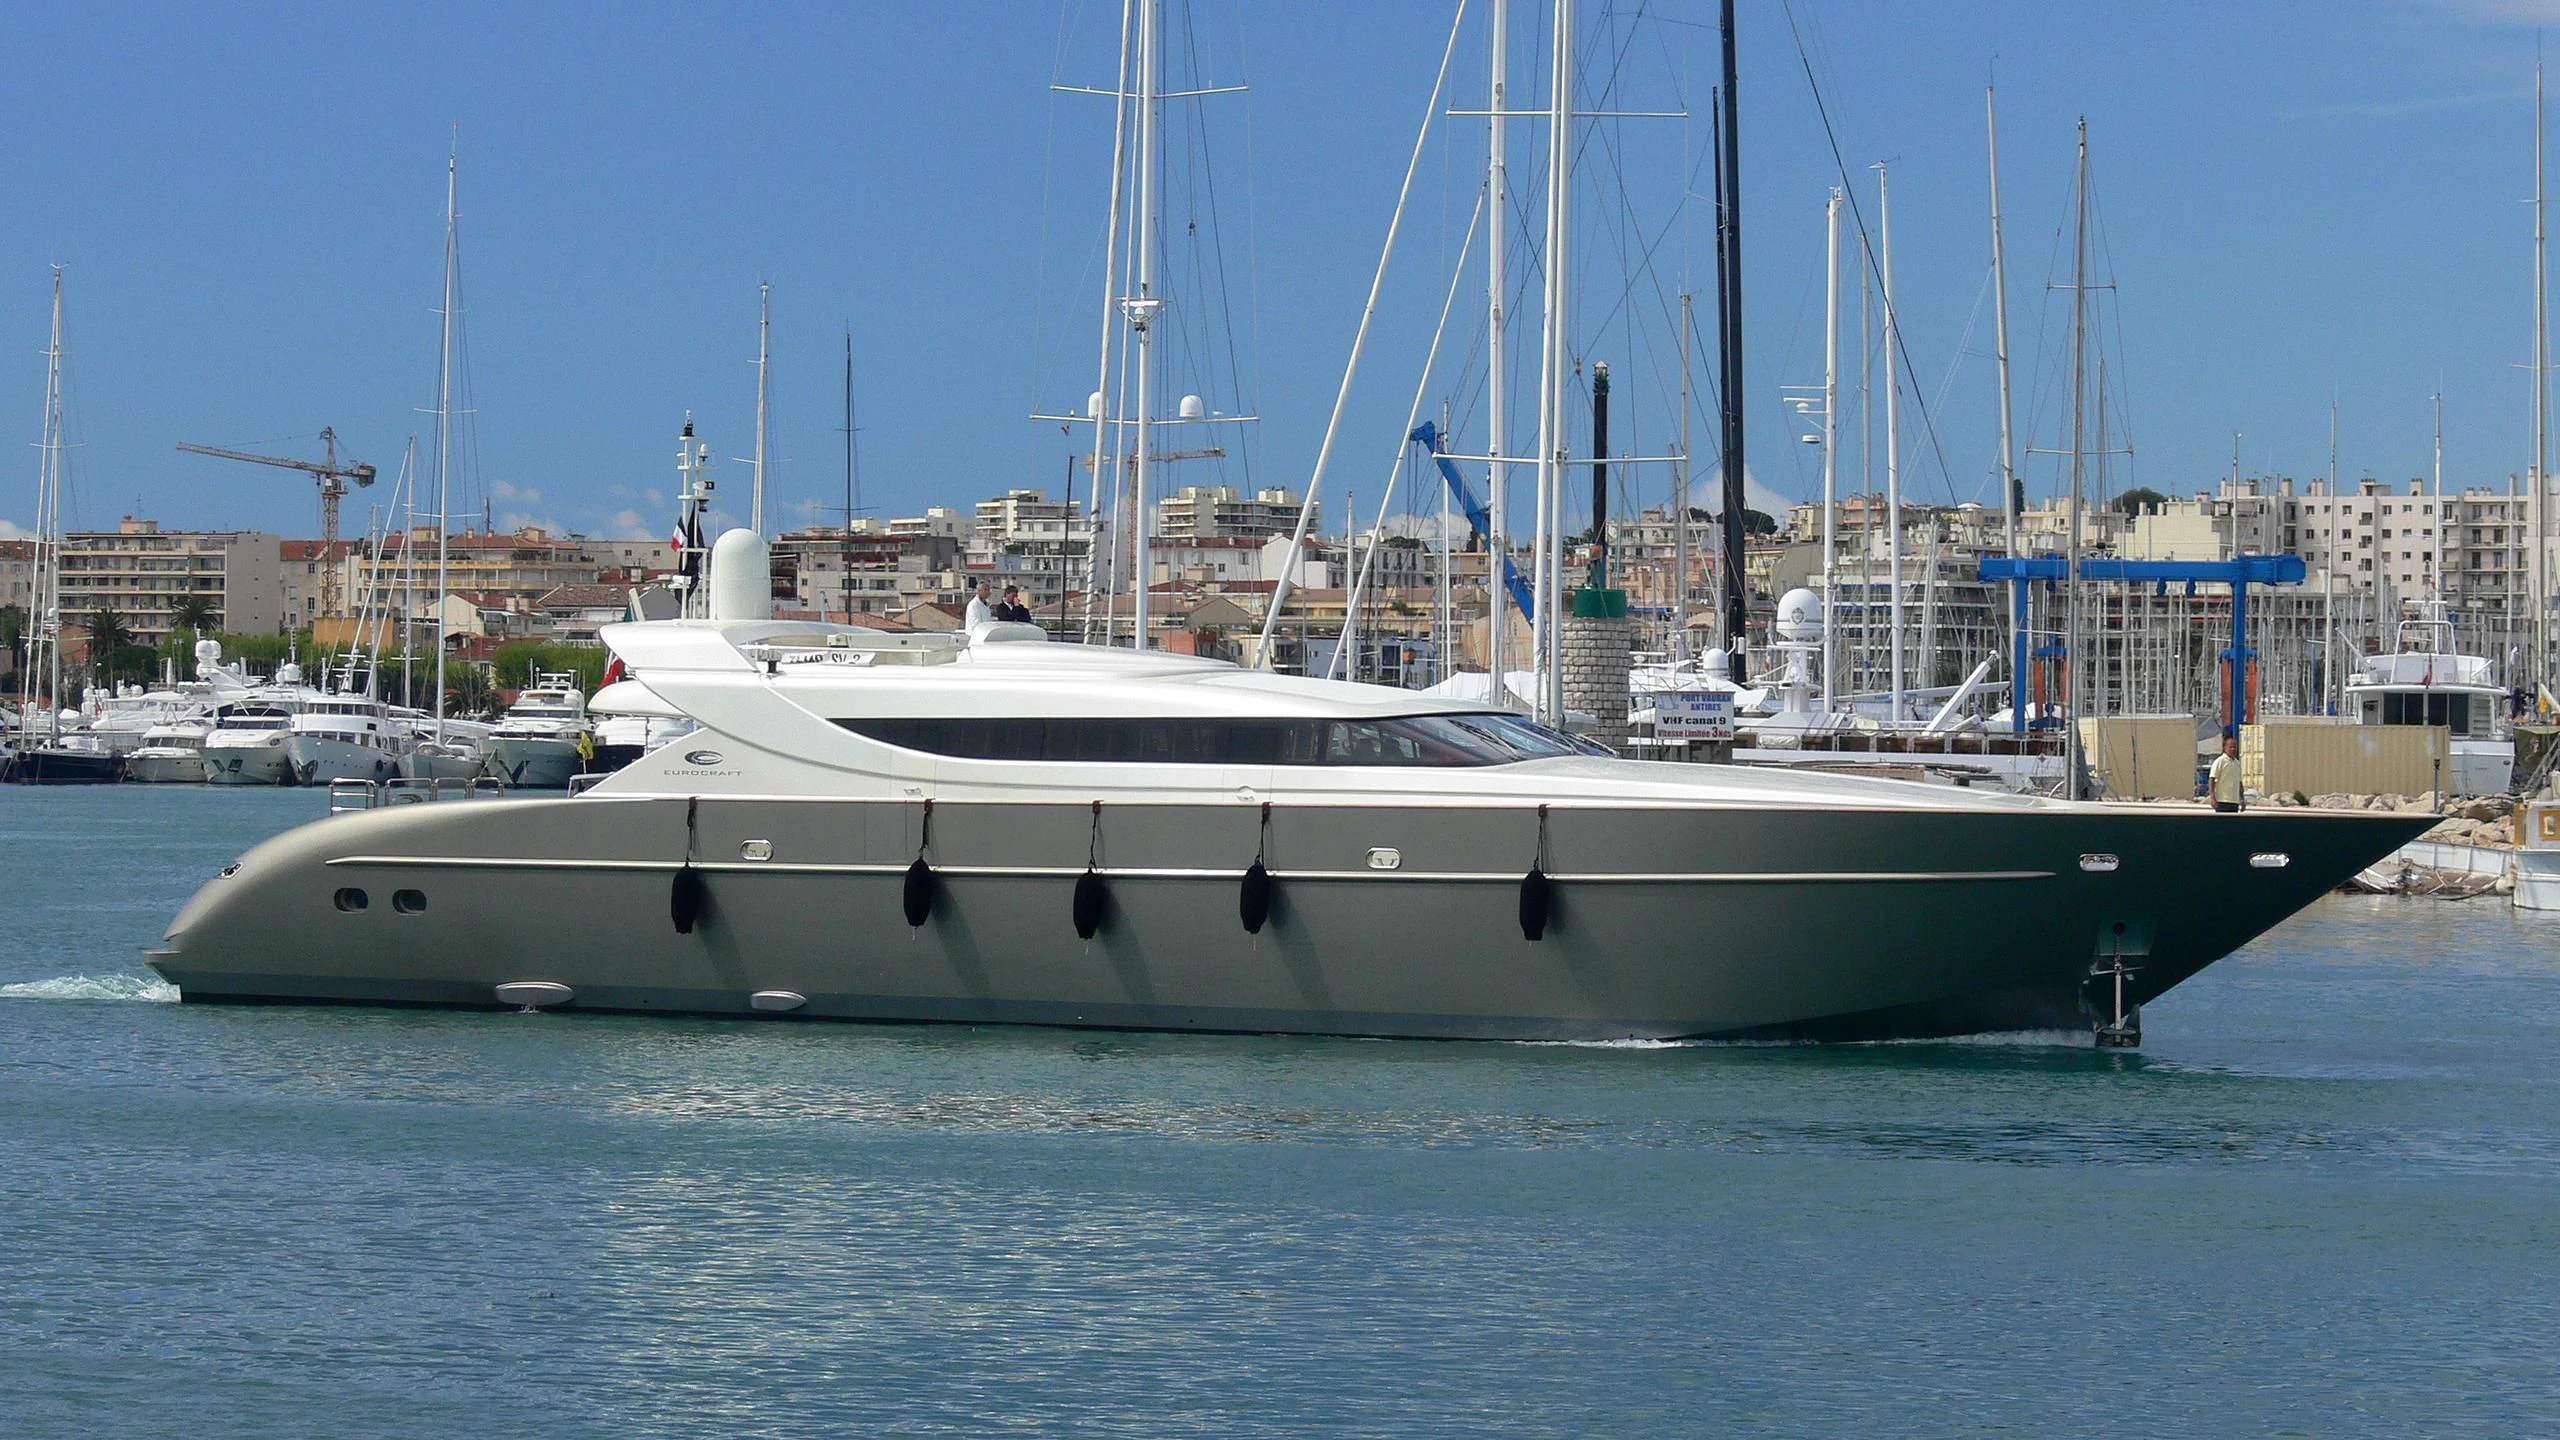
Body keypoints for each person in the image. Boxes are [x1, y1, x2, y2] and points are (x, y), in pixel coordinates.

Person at [2208, 734, 2244, 813]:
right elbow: (2212, 779)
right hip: (2222, 801)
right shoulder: (2220, 761)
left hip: (2234, 801)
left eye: (2234, 747)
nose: (2233, 749)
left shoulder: (2237, 763)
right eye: (2230, 747)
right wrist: (2212, 797)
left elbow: (2239, 782)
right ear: (2225, 748)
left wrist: (2242, 799)